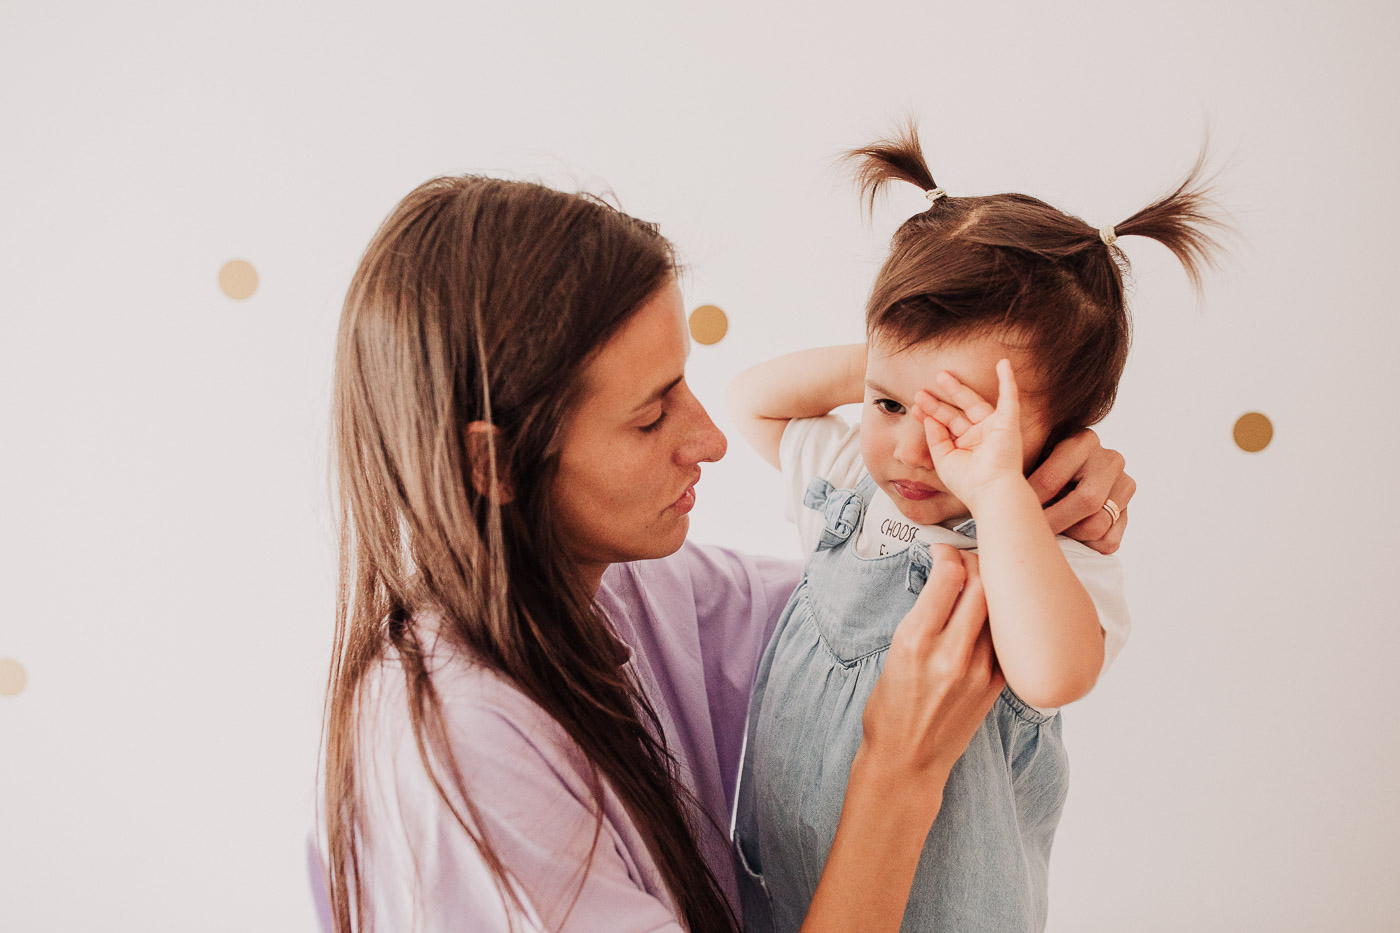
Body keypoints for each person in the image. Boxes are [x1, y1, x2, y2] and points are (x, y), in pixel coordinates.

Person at [315, 173, 1136, 933]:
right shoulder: (464, 760)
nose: (710, 439)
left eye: (683, 383)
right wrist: (899, 771)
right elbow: (766, 408)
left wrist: (1008, 426)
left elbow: (888, 614)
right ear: (493, 463)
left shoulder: (629, 590)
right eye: (650, 416)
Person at [728, 124, 1221, 932]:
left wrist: (996, 493)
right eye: (890, 403)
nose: (912, 447)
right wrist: (897, 356)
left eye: (962, 418)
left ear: (1061, 432)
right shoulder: (856, 478)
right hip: (793, 897)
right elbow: (751, 399)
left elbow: (1054, 674)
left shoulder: (1050, 540)